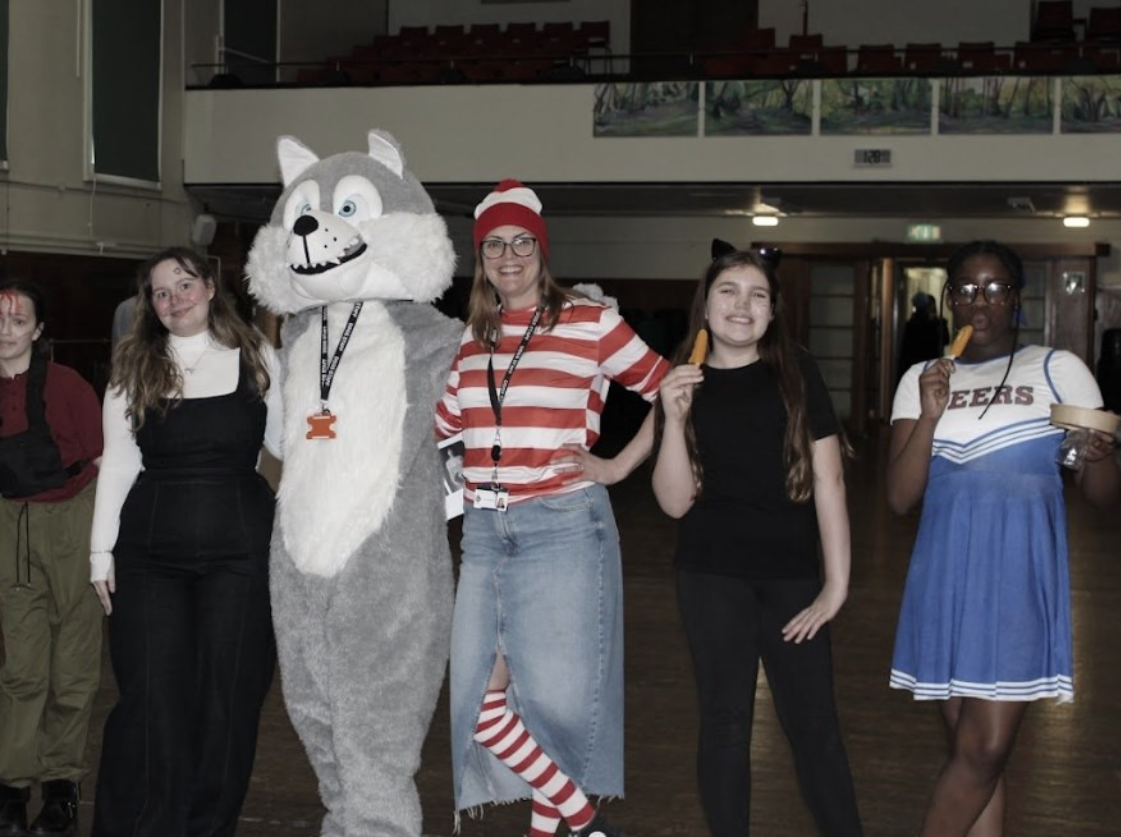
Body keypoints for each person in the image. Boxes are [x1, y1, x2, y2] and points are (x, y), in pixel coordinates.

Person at [435, 180, 669, 837]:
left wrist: (617, 466)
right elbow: (444, 429)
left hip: (562, 527)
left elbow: (670, 390)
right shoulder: (471, 338)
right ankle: (584, 822)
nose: (508, 256)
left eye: (521, 243)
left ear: (541, 250)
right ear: (480, 258)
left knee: (554, 706)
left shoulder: (589, 322)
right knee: (478, 699)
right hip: (484, 533)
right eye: (493, 246)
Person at [887, 240, 1119, 837]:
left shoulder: (1058, 368)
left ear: (1017, 298)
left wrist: (1099, 457)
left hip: (1019, 577)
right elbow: (900, 497)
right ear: (950, 299)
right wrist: (930, 414)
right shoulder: (920, 378)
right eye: (966, 289)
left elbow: (1102, 495)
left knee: (985, 749)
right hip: (945, 577)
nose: (979, 301)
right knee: (973, 753)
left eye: (995, 289)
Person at [650, 245, 863, 837]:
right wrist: (675, 417)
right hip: (710, 576)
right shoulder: (681, 381)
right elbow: (673, 503)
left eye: (757, 295)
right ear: (706, 305)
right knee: (725, 725)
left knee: (815, 727)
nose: (742, 305)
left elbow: (829, 479)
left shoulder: (797, 371)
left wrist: (836, 586)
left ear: (772, 312)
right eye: (728, 291)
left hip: (791, 576)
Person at [89, 247, 282, 836]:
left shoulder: (258, 355)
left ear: (211, 287)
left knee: (229, 698)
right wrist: (99, 553)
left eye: (185, 284)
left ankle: (206, 827)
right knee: (149, 697)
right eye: (161, 292)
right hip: (149, 554)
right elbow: (118, 464)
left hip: (240, 552)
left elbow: (291, 448)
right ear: (149, 305)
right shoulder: (133, 366)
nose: (174, 299)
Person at [0, 279, 104, 837]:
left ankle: (62, 785)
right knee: (22, 672)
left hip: (76, 523)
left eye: (18, 320)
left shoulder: (70, 386)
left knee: (74, 672)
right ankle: (12, 787)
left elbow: (103, 465)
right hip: (15, 528)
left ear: (38, 330)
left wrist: (103, 553)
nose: (5, 330)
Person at [898, 291, 951, 376]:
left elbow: (905, 352)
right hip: (931, 365)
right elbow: (945, 341)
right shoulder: (934, 324)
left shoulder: (911, 324)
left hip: (914, 366)